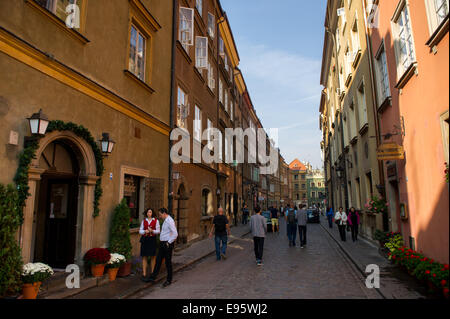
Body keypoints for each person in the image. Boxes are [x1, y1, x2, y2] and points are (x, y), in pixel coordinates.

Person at [145, 208, 178, 287]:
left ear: (164, 213)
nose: (160, 216)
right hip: (162, 243)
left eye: (160, 214)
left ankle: (169, 280)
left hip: (167, 244)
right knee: (158, 260)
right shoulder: (166, 220)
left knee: (168, 262)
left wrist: (168, 242)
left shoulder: (170, 221)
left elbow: (175, 234)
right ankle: (153, 277)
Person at [139, 208, 161, 281]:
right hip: (145, 239)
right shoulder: (144, 221)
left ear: (152, 213)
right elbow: (140, 231)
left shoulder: (156, 221)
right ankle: (144, 273)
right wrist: (144, 231)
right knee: (144, 256)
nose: (149, 213)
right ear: (146, 213)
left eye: (150, 212)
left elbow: (158, 231)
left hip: (152, 240)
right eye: (148, 212)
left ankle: (152, 273)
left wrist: (152, 231)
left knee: (153, 256)